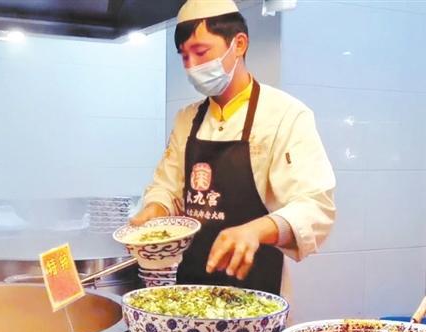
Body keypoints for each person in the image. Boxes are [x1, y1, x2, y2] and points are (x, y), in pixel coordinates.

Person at [131, 0, 336, 297]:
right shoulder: (187, 119)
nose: (192, 66)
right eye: (184, 57)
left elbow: (315, 206)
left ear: (238, 44)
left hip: (258, 293)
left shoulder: (285, 115)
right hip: (190, 290)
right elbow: (168, 187)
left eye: (201, 52)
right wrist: (155, 210)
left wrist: (257, 230)